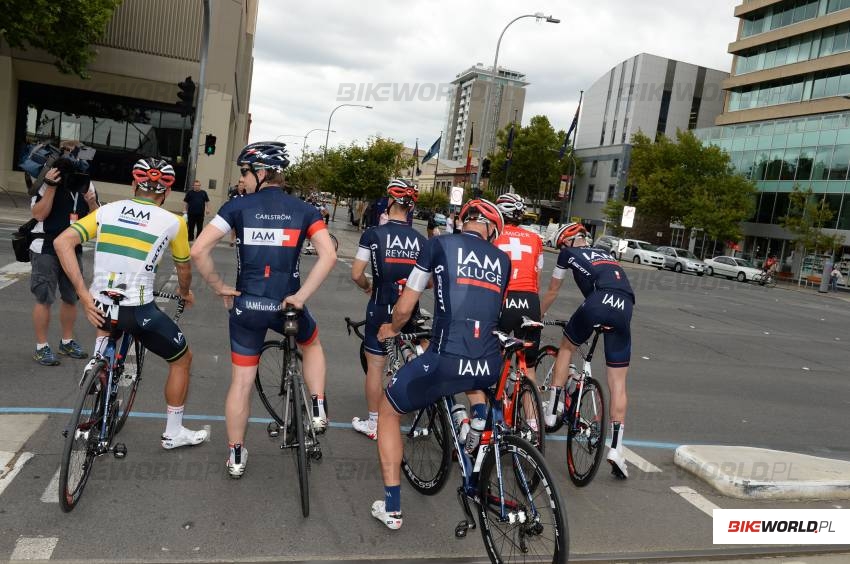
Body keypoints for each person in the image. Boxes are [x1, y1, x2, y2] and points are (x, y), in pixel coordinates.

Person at [190, 141, 337, 479]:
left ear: (262, 172)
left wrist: (218, 286)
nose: (242, 178)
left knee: (242, 381)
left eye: (245, 171)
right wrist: (300, 296)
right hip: (287, 306)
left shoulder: (237, 207)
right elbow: (328, 255)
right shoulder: (304, 210)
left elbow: (199, 250)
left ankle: (237, 456)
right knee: (311, 343)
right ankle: (316, 404)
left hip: (248, 305)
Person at [53, 158, 208, 449]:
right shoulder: (174, 222)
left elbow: (62, 242)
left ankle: (96, 367)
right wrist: (185, 292)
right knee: (182, 359)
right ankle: (173, 432)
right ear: (165, 193)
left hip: (99, 305)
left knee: (108, 321)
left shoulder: (106, 211)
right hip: (138, 311)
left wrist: (84, 296)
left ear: (134, 185)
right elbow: (183, 270)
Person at [372, 199, 509, 529]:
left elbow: (405, 307)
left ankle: (391, 508)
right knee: (473, 380)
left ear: (462, 222)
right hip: (489, 361)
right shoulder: (503, 261)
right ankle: (475, 428)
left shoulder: (438, 244)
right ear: (492, 231)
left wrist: (390, 328)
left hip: (446, 358)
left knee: (388, 411)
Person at [540, 222, 635, 479]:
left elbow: (553, 290)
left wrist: (538, 315)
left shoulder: (568, 253)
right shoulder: (608, 256)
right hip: (625, 305)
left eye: (562, 244)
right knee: (618, 383)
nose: (562, 248)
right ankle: (616, 448)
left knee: (567, 347)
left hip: (599, 302)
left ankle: (552, 410)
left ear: (568, 241)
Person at [349, 179, 427, 441]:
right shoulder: (420, 239)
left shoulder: (373, 234)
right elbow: (428, 282)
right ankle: (419, 416)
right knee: (413, 361)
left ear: (391, 202)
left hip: (381, 305)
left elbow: (357, 274)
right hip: (410, 307)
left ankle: (374, 422)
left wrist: (366, 286)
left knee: (376, 367)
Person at [28, 140, 98, 366]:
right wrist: (50, 186)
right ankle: (41, 347)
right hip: (46, 245)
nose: (71, 159)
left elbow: (97, 221)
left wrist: (92, 202)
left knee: (71, 297)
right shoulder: (45, 179)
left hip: (72, 247)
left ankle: (67, 342)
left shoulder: (86, 184)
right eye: (67, 153)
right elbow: (38, 215)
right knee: (44, 297)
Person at [493, 194, 544, 385]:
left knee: (496, 357)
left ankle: (496, 407)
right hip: (530, 299)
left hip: (504, 297)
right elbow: (537, 274)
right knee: (528, 368)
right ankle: (532, 416)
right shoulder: (535, 238)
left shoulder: (494, 235)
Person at [228, 178, 247, 247]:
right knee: (233, 228)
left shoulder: (246, 193)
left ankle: (238, 240)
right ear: (238, 186)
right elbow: (230, 202)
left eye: (242, 185)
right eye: (240, 185)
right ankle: (232, 241)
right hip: (235, 212)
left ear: (244, 186)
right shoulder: (234, 193)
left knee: (240, 228)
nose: (241, 187)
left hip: (243, 213)